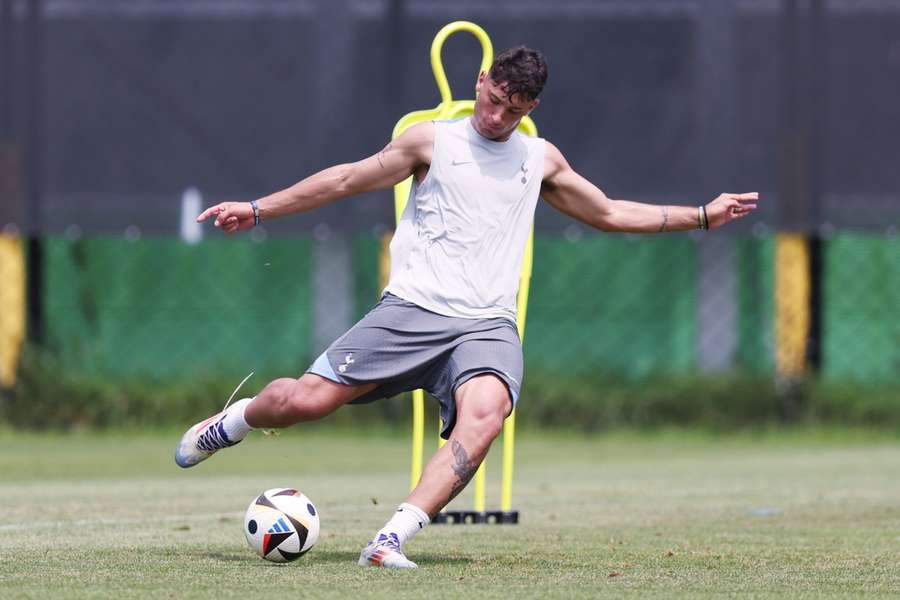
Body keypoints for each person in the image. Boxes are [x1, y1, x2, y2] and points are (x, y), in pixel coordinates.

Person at [175, 46, 758, 568]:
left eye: (516, 111)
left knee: (486, 416)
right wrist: (257, 209)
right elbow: (347, 180)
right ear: (482, 81)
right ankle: (233, 422)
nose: (499, 117)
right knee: (302, 402)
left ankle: (390, 540)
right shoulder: (432, 140)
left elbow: (607, 212)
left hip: (487, 324)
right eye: (496, 100)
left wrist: (703, 215)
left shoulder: (540, 159)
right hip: (412, 311)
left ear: (531, 110)